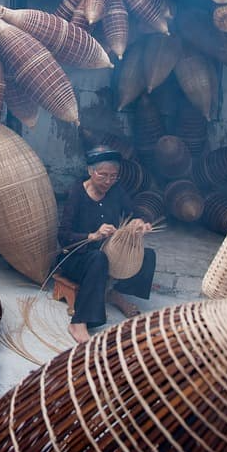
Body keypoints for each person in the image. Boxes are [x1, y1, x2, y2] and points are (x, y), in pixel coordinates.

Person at [56, 146, 156, 344]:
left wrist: (140, 222)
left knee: (148, 255)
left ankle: (114, 292)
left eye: (114, 176)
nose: (108, 181)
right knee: (98, 259)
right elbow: (63, 236)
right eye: (103, 175)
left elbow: (134, 212)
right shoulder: (77, 193)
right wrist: (92, 235)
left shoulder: (116, 191)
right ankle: (79, 321)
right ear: (90, 172)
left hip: (108, 253)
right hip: (77, 257)